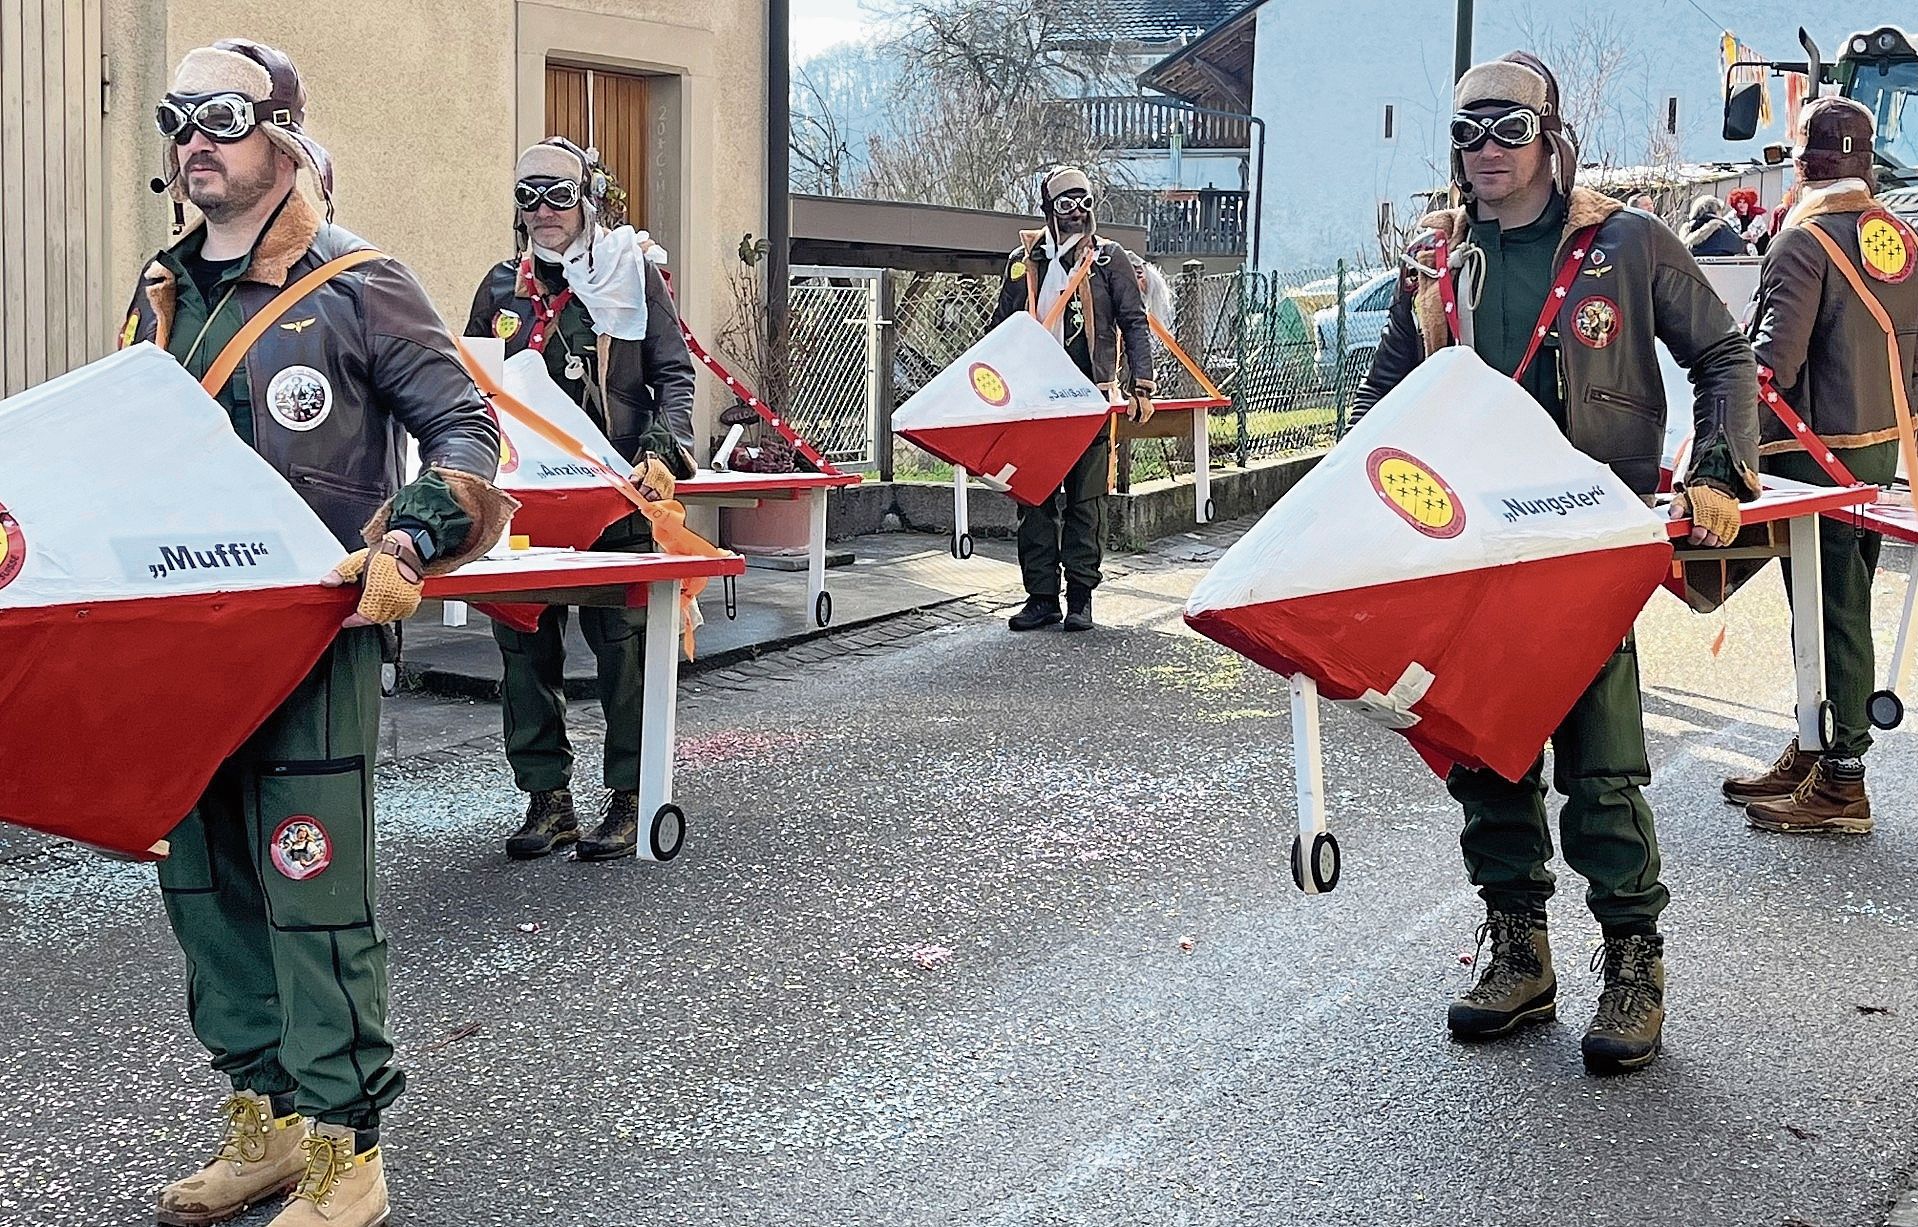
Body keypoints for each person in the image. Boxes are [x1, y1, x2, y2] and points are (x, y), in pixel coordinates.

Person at [121, 40, 512, 1227]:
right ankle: (270, 1120)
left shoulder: (362, 282)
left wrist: (410, 540)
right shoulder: (158, 290)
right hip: (185, 643)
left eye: (224, 116)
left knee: (311, 889)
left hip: (312, 638)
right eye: (177, 117)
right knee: (206, 888)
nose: (197, 138)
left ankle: (351, 1150)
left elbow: (466, 432)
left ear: (283, 134)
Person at [1354, 52, 1759, 1072]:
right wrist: (1347, 510)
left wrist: (1718, 470)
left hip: (1582, 544)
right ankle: (1519, 951)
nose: (1484, 150)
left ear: (1550, 137)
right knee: (1483, 751)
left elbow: (1723, 354)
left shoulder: (1625, 244)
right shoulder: (1435, 261)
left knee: (1601, 765)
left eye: (1505, 128)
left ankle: (1632, 964)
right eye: (1464, 133)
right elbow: (1383, 397)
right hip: (1469, 547)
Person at [465, 138, 698, 861]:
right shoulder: (501, 287)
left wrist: (662, 450)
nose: (542, 211)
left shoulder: (631, 277)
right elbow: (473, 386)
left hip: (614, 494)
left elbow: (673, 373)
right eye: (528, 196)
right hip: (528, 503)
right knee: (523, 643)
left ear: (588, 198)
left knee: (622, 649)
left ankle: (631, 795)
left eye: (558, 195)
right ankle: (548, 799)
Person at [1723, 98, 1918, 833]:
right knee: (1839, 600)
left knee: (1829, 605)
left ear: (1803, 165)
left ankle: (1843, 776)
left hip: (1810, 456)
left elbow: (1772, 364)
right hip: (1875, 449)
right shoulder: (1899, 236)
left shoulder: (1802, 242)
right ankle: (1816, 741)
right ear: (1865, 162)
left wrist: (1723, 435)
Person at [990, 166, 1156, 632]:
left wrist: (1142, 384)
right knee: (1034, 497)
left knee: (1086, 500)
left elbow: (1134, 321)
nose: (1078, 212)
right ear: (1048, 209)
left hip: (1089, 397)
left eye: (1085, 201)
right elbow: (1003, 329)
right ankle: (1041, 597)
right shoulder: (1023, 261)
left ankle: (1080, 596)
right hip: (1035, 400)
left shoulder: (1109, 259)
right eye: (1066, 203)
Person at [1680, 194, 1753, 256]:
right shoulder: (1719, 227)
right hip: (1720, 270)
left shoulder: (1687, 228)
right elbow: (1737, 247)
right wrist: (1742, 240)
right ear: (1716, 210)